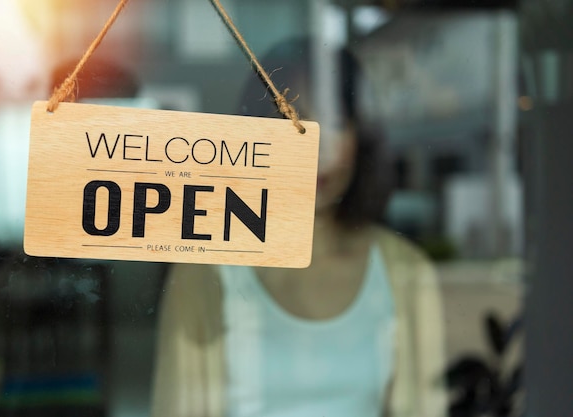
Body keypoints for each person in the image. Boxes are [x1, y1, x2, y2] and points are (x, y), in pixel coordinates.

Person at [151, 39, 447, 417]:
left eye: (336, 123)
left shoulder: (405, 273)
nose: (318, 148)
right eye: (292, 118)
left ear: (361, 135)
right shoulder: (203, 273)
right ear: (258, 135)